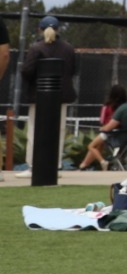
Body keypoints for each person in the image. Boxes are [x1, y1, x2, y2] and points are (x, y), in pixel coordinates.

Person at [18, 15, 80, 168]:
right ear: (58, 29)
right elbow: (73, 70)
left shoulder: (36, 48)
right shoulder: (68, 48)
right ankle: (56, 164)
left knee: (34, 129)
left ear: (40, 29)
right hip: (62, 94)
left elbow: (27, 70)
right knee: (58, 130)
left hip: (39, 95)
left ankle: (33, 165)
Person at [80, 81, 127, 171]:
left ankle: (98, 162)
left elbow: (102, 121)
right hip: (125, 133)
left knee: (93, 145)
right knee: (101, 144)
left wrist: (103, 127)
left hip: (109, 133)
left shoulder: (107, 106)